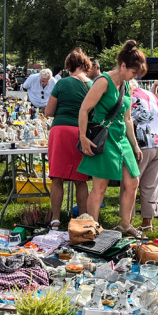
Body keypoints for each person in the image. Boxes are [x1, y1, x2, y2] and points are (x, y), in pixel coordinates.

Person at [77, 40, 147, 237]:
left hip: (121, 138)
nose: (135, 77)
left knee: (133, 181)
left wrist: (135, 146)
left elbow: (127, 118)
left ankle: (125, 224)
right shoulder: (103, 81)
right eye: (134, 72)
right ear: (123, 65)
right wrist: (83, 137)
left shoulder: (127, 85)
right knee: (100, 186)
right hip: (103, 137)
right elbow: (84, 109)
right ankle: (93, 228)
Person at [44, 48, 92, 228]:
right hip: (82, 132)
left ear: (68, 66)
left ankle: (55, 218)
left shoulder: (62, 83)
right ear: (85, 65)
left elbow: (49, 111)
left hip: (61, 130)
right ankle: (84, 219)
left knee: (57, 177)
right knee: (81, 180)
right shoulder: (93, 84)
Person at [130, 82, 158, 232]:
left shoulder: (129, 95)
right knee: (151, 184)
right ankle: (147, 222)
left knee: (131, 183)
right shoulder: (150, 94)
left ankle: (126, 222)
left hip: (143, 141)